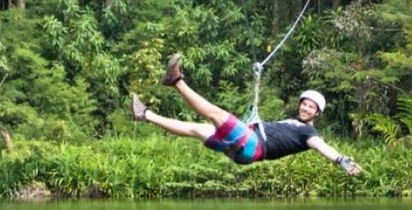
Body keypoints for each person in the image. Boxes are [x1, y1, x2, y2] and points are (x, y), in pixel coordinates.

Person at [130, 54, 362, 175]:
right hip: (245, 152)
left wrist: (340, 159)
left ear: (317, 113)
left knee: (217, 114)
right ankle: (145, 114)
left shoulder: (309, 132)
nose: (306, 108)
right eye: (305, 104)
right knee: (198, 129)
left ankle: (176, 81)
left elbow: (321, 147)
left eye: (312, 108)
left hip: (252, 146)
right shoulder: (291, 122)